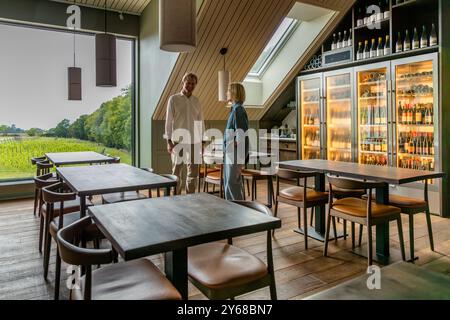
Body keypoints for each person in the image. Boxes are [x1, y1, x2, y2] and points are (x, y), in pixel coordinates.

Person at [165, 73, 204, 194]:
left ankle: (190, 198)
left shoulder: (196, 101)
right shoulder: (174, 99)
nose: (190, 86)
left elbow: (200, 122)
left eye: (193, 84)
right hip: (177, 141)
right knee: (176, 171)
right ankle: (176, 197)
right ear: (183, 83)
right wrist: (169, 141)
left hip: (194, 141)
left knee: (193, 173)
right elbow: (169, 121)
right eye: (188, 83)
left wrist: (202, 141)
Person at [223, 82, 249, 201]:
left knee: (232, 183)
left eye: (228, 90)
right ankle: (233, 209)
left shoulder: (238, 110)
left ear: (233, 93)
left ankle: (237, 211)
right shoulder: (234, 109)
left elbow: (241, 134)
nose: (226, 93)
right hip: (231, 151)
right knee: (231, 183)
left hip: (234, 152)